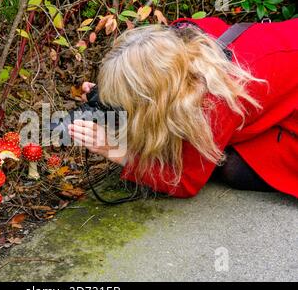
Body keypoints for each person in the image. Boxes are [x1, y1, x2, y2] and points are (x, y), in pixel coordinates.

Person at [68, 17, 298, 199]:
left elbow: (186, 181)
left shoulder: (215, 100)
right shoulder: (181, 34)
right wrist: (110, 94)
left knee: (234, 168)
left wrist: (114, 150)